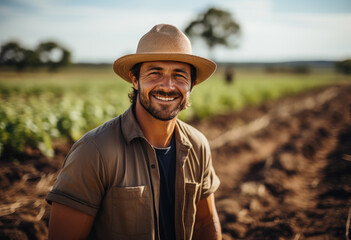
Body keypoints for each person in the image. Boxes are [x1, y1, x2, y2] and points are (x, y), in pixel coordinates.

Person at [46, 24, 221, 240]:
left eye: (179, 75)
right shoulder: (94, 151)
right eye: (155, 73)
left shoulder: (198, 145)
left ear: (191, 84)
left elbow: (206, 221)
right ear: (135, 79)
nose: (167, 86)